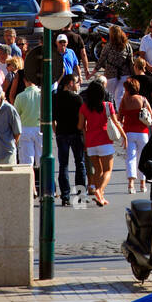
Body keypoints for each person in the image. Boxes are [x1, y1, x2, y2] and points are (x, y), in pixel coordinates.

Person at [79, 79, 124, 207]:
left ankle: (101, 196)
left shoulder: (84, 107)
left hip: (91, 143)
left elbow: (80, 125)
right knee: (108, 170)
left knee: (98, 170)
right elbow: (115, 122)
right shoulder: (108, 105)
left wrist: (86, 141)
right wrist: (124, 136)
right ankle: (99, 190)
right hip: (105, 141)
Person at [53, 73, 86, 206]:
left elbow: (52, 120)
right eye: (76, 82)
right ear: (70, 83)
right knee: (80, 163)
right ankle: (80, 195)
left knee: (63, 165)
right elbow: (82, 120)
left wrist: (57, 132)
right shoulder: (77, 99)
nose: (78, 85)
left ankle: (65, 196)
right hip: (76, 133)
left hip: (62, 132)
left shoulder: (55, 98)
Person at [120, 77, 152, 194]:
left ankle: (131, 185)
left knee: (130, 158)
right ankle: (142, 184)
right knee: (142, 159)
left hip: (129, 133)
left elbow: (119, 118)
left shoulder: (124, 101)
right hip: (143, 133)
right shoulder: (143, 100)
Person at [14, 77, 42, 191]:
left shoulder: (20, 96)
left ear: (25, 81)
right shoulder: (42, 95)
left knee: (27, 161)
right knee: (42, 159)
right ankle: (47, 187)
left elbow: (16, 115)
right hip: (40, 128)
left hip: (25, 128)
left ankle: (32, 188)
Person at [98, 24, 134, 107]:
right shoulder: (127, 45)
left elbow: (101, 60)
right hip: (125, 74)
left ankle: (111, 115)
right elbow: (131, 61)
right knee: (119, 97)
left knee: (109, 97)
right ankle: (120, 116)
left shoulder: (108, 46)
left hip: (110, 74)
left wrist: (92, 73)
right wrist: (133, 75)